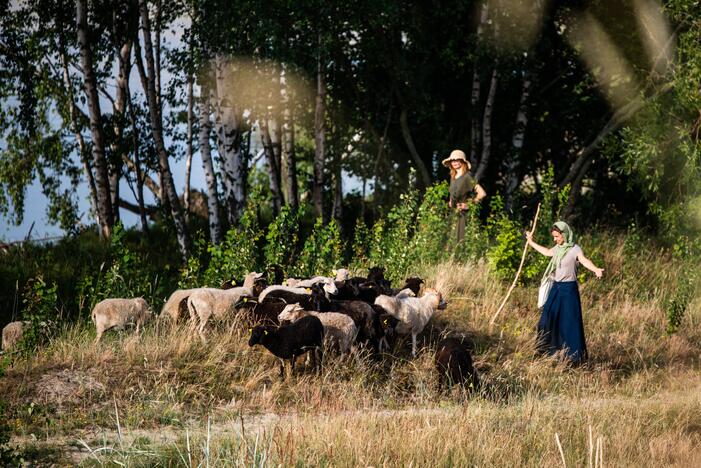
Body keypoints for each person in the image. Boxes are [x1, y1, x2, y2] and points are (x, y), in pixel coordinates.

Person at [525, 221, 604, 365]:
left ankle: (573, 358)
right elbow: (547, 252)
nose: (555, 240)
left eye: (557, 236)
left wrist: (596, 269)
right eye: (554, 237)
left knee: (569, 323)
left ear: (565, 234)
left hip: (569, 291)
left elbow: (585, 261)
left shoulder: (575, 249)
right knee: (547, 318)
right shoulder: (557, 248)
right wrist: (531, 242)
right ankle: (546, 351)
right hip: (556, 289)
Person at [442, 149, 486, 242]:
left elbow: (482, 193)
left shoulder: (467, 176)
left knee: (461, 242)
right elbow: (452, 193)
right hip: (453, 213)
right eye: (452, 161)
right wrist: (451, 201)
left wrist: (468, 204)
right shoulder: (453, 176)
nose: (454, 163)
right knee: (451, 242)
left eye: (457, 160)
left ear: (462, 161)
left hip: (463, 215)